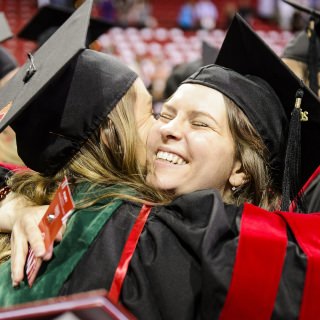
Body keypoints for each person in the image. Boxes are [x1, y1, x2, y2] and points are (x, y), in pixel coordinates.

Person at [1, 12, 320, 320]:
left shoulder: (233, 245)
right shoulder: (137, 231)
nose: (166, 129)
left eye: (200, 124)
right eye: (163, 114)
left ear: (242, 169)